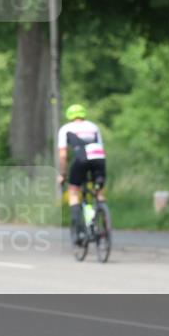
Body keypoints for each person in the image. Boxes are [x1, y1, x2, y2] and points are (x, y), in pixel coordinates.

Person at [57, 104, 108, 245]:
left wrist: (62, 174)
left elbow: (63, 155)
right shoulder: (94, 126)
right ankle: (102, 219)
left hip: (81, 158)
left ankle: (79, 232)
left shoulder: (66, 129)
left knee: (73, 192)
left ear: (70, 116)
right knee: (99, 191)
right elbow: (101, 147)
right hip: (99, 158)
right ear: (83, 115)